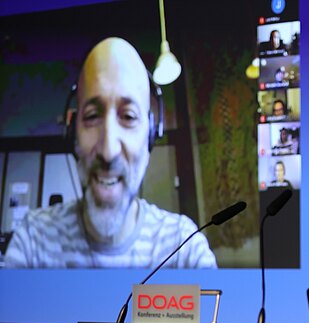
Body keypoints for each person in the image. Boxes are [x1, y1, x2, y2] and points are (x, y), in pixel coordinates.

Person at [4, 37, 216, 269]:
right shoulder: (33, 242)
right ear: (73, 133)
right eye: (92, 116)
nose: (108, 151)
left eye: (128, 117)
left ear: (150, 134)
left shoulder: (183, 249)